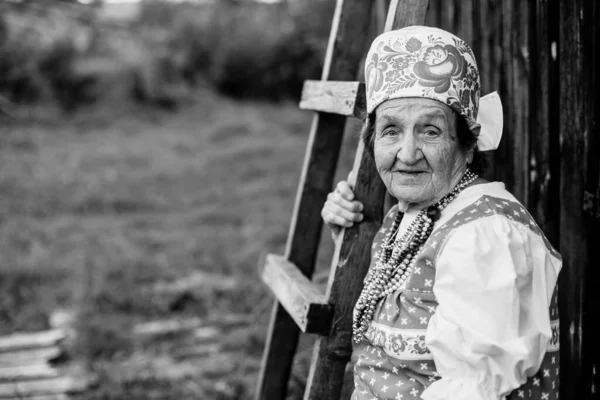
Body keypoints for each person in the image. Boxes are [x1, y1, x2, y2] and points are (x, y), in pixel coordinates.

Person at [321, 26, 561, 400]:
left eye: (430, 131)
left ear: (467, 145)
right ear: (372, 142)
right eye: (391, 131)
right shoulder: (413, 213)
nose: (408, 153)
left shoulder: (486, 237)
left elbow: (474, 390)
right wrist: (347, 229)